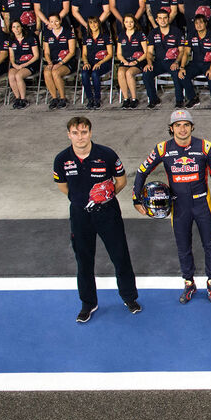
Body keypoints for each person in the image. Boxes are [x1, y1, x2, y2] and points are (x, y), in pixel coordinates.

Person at [133, 110, 211, 304]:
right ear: (171, 128)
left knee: (210, 244)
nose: (182, 129)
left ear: (192, 127)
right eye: (178, 125)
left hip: (203, 203)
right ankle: (188, 283)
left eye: (186, 124)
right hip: (178, 205)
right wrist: (137, 199)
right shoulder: (162, 148)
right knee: (183, 246)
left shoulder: (205, 146)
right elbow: (141, 171)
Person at [53, 116, 140, 323]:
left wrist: (105, 198)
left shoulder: (106, 154)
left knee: (120, 257)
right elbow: (63, 186)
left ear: (90, 133)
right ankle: (88, 303)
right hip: (80, 216)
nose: (80, 136)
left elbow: (121, 180)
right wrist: (82, 201)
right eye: (75, 133)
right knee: (83, 261)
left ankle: (129, 298)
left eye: (84, 132)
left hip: (108, 214)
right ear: (69, 135)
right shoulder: (62, 159)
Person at [142, 9, 186, 109]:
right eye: (160, 18)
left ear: (168, 19)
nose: (163, 20)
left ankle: (179, 100)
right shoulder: (153, 33)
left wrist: (176, 62)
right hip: (158, 62)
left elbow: (182, 51)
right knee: (146, 73)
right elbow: (149, 52)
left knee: (177, 73)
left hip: (172, 62)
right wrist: (149, 63)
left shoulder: (176, 32)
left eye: (165, 18)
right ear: (156, 20)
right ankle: (153, 99)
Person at [179, 13, 211, 107]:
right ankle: (193, 98)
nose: (198, 25)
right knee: (183, 75)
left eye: (201, 23)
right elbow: (186, 52)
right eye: (196, 23)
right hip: (195, 63)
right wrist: (182, 67)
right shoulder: (191, 35)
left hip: (209, 63)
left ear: (205, 23)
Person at [41, 12, 76, 108]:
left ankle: (63, 98)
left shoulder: (68, 32)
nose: (54, 23)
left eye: (56, 21)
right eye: (51, 22)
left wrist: (60, 63)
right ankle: (54, 98)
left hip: (67, 62)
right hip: (53, 62)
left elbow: (72, 52)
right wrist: (49, 63)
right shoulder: (47, 34)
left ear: (60, 21)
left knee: (55, 73)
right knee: (47, 72)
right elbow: (46, 52)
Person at [116, 14, 149, 108]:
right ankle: (126, 99)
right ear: (123, 23)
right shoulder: (121, 35)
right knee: (120, 73)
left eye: (131, 21)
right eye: (126, 22)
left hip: (138, 61)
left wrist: (136, 61)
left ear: (134, 23)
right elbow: (118, 54)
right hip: (126, 61)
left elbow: (146, 52)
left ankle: (134, 99)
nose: (129, 24)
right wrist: (124, 61)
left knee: (129, 73)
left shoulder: (140, 34)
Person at [80, 16, 112, 109]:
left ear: (98, 23)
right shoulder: (86, 37)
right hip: (90, 63)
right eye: (90, 23)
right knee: (84, 74)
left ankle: (97, 98)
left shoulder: (105, 36)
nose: (93, 25)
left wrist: (99, 63)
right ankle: (90, 99)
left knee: (95, 74)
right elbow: (84, 54)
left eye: (95, 22)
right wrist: (85, 62)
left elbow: (110, 54)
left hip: (103, 63)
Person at [5, 20, 38, 108]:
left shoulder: (30, 38)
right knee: (11, 76)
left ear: (22, 27)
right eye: (14, 27)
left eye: (18, 26)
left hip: (29, 64)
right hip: (17, 64)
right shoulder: (11, 40)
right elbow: (11, 56)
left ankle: (23, 99)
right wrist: (13, 64)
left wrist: (24, 65)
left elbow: (36, 56)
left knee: (18, 76)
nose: (16, 29)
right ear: (11, 29)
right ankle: (17, 98)